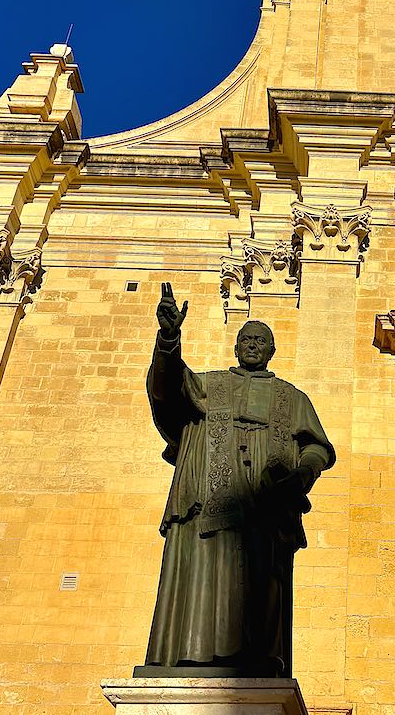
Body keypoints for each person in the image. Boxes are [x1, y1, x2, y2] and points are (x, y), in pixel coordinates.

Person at [140, 284, 335, 677]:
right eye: (246, 339)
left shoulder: (292, 397)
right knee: (203, 566)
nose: (252, 346)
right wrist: (169, 339)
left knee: (260, 573)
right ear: (235, 347)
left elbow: (317, 447)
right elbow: (167, 389)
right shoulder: (210, 384)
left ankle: (257, 655)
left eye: (260, 341)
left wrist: (302, 474)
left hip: (267, 494)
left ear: (272, 350)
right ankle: (192, 654)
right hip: (211, 487)